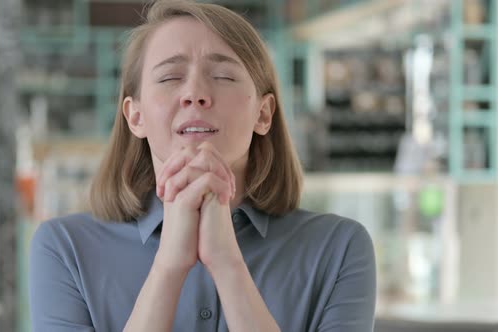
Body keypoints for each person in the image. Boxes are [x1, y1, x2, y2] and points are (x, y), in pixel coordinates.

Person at [29, 0, 376, 331]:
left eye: (223, 76)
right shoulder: (64, 248)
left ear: (263, 113)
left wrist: (228, 265)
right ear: (135, 116)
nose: (195, 93)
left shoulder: (340, 248)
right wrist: (168, 268)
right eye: (169, 78)